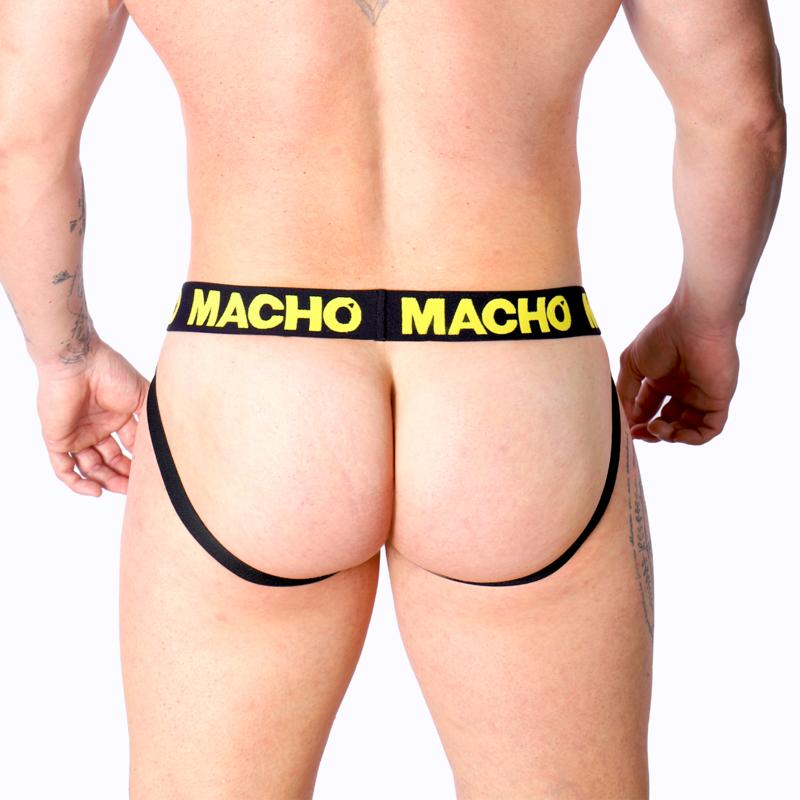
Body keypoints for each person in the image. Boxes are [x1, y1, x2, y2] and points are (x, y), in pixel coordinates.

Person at [0, 0, 785, 797]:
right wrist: (706, 322)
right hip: (514, 374)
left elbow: (20, 138)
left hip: (255, 376)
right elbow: (743, 118)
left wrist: (64, 356)